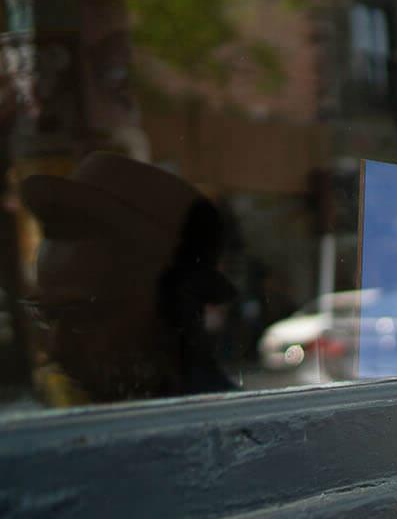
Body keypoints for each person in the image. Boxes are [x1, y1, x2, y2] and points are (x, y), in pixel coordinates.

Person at [19, 152, 237, 406]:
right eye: (47, 317)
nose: (57, 350)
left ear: (171, 310)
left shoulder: (227, 425)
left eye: (80, 316)